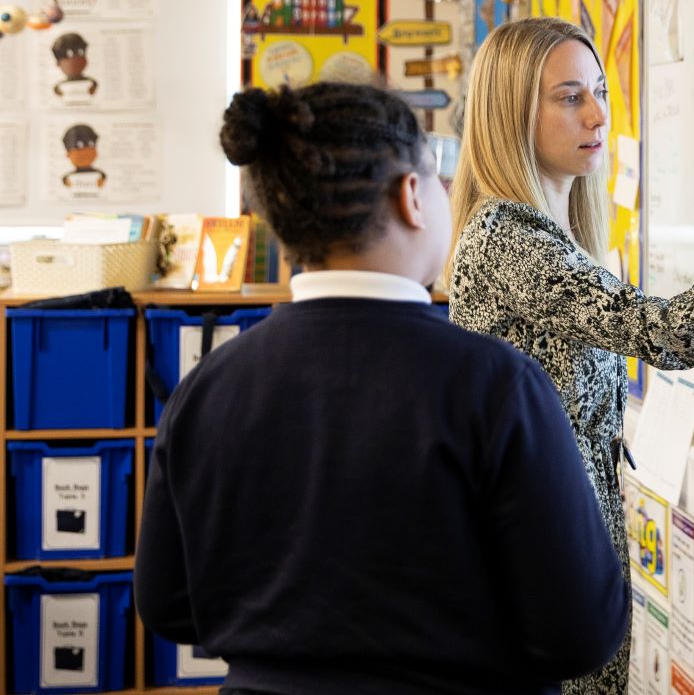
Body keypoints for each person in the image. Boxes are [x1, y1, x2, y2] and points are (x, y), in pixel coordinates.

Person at [135, 81, 628, 695]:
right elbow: (582, 630)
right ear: (411, 197)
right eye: (437, 180)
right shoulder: (494, 385)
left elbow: (167, 605)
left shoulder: (207, 389)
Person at [447, 17, 694, 695]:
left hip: (565, 548)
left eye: (599, 91)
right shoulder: (507, 238)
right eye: (569, 98)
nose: (598, 114)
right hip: (534, 566)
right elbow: (667, 333)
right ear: (511, 113)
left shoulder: (552, 231)